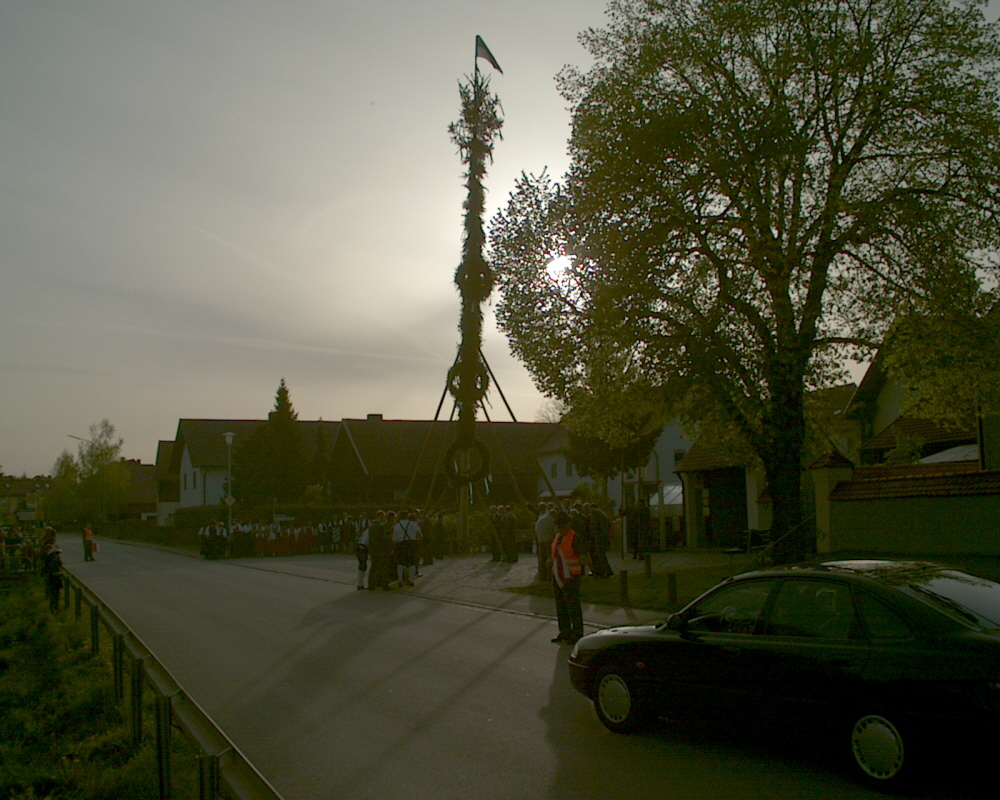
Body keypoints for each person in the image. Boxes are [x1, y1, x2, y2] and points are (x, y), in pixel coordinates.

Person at [548, 511, 585, 644]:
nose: (561, 529)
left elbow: (582, 554)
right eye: (559, 526)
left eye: (563, 526)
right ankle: (564, 631)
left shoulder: (575, 537)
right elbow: (555, 553)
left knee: (573, 606)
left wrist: (584, 560)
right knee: (561, 606)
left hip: (571, 577)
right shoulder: (557, 537)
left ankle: (577, 632)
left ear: (568, 524)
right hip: (558, 576)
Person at [392, 510, 421, 587]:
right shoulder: (412, 524)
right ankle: (411, 580)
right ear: (407, 516)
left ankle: (400, 580)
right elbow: (419, 534)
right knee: (411, 562)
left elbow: (394, 539)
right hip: (411, 544)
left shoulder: (397, 526)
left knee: (400, 563)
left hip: (401, 544)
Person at [40, 533, 64, 613]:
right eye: (57, 554)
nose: (58, 556)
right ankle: (53, 610)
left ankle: (54, 609)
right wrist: (61, 573)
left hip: (54, 583)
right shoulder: (53, 563)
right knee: (54, 597)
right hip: (54, 582)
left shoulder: (54, 562)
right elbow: (54, 573)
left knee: (55, 596)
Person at [534, 504, 555, 582]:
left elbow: (536, 530)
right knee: (549, 559)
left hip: (540, 540)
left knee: (541, 559)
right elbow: (554, 531)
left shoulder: (540, 520)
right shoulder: (551, 520)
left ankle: (542, 575)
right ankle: (549, 575)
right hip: (549, 541)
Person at [355, 522, 370, 590]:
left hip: (360, 546)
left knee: (362, 565)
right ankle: (360, 584)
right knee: (362, 566)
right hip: (362, 548)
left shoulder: (367, 530)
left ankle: (360, 583)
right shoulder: (370, 531)